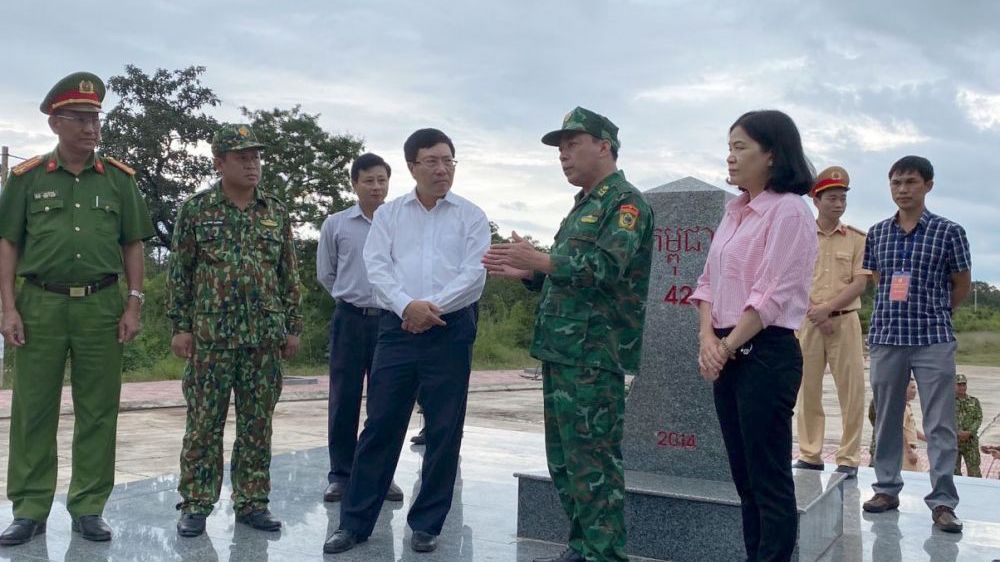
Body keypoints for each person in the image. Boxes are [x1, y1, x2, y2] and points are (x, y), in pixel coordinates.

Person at [483, 107, 653, 562]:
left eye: (572, 144)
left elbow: (604, 268)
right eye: (560, 148)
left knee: (594, 464)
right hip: (563, 353)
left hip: (595, 357)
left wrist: (541, 259)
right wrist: (529, 272)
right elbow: (569, 276)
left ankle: (604, 554)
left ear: (605, 146)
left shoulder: (625, 204)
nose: (563, 155)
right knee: (565, 464)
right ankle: (581, 546)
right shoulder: (585, 205)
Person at [0, 72, 154, 545]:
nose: (91, 127)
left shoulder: (119, 180)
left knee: (98, 409)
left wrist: (133, 303)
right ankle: (29, 508)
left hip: (102, 307)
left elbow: (133, 244)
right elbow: (8, 243)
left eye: (95, 118)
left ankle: (88, 507)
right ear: (56, 123)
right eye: (80, 119)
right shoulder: (25, 179)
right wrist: (7, 308)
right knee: (33, 410)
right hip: (40, 304)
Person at [324, 128, 489, 555]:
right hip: (397, 330)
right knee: (380, 425)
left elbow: (474, 275)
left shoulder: (470, 216)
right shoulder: (390, 215)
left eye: (449, 160)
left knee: (443, 429)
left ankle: (428, 523)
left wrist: (428, 308)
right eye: (432, 161)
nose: (442, 168)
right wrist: (406, 307)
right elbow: (376, 268)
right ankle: (355, 523)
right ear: (413, 166)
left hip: (450, 331)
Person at [691, 110, 817, 562]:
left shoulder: (789, 212)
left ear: (772, 154)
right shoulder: (735, 212)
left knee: (769, 479)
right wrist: (709, 338)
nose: (730, 157)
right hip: (725, 347)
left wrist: (724, 346)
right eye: (729, 147)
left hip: (765, 352)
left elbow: (772, 295)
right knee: (743, 478)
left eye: (740, 147)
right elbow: (707, 282)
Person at [167, 124, 302, 538]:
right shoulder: (196, 209)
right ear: (219, 162)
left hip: (263, 338)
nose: (251, 164)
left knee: (257, 424)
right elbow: (181, 273)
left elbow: (288, 273)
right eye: (241, 157)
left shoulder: (275, 211)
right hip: (211, 338)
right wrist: (180, 326)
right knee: (204, 423)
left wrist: (293, 326)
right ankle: (196, 503)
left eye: (255, 157)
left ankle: (252, 501)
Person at [861, 155, 971, 535]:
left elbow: (961, 284)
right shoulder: (876, 233)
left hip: (932, 340)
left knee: (940, 423)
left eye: (910, 182)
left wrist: (937, 312)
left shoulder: (949, 232)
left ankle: (942, 502)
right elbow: (878, 278)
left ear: (928, 185)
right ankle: (886, 489)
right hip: (888, 338)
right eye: (896, 183)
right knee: (887, 420)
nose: (903, 189)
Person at [316, 153, 404, 503]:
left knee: (387, 403)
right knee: (344, 399)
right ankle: (341, 475)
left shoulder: (399, 222)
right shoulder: (336, 224)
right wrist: (353, 296)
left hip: (390, 321)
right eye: (368, 180)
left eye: (382, 180)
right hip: (350, 318)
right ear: (354, 184)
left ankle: (381, 475)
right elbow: (327, 273)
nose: (376, 187)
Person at [793, 166, 869, 479]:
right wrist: (816, 312)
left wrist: (828, 309)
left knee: (852, 391)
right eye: (832, 199)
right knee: (806, 389)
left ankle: (849, 457)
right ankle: (810, 454)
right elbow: (792, 278)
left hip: (845, 320)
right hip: (808, 321)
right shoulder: (800, 236)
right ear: (816, 200)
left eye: (842, 199)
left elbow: (860, 282)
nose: (838, 204)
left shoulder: (856, 239)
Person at [954, 373, 982, 477]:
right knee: (954, 472)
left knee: (974, 472)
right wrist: (957, 432)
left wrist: (970, 432)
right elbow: (944, 419)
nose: (962, 387)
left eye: (963, 384)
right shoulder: (948, 402)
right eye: (959, 384)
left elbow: (978, 418)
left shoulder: (974, 401)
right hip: (954, 441)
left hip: (970, 442)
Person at [902, 379, 926, 471]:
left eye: (915, 388)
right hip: (905, 451)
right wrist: (908, 452)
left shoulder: (907, 406)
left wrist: (926, 438)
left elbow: (911, 429)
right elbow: (900, 430)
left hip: (909, 449)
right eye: (912, 388)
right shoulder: (902, 408)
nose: (915, 391)